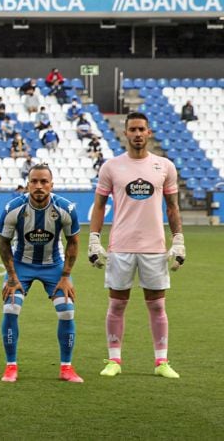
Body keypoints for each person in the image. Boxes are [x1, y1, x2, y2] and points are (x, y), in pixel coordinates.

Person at [88, 112, 184, 379]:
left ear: (149, 133)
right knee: (117, 305)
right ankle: (114, 360)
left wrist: (178, 240)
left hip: (154, 247)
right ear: (126, 133)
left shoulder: (165, 166)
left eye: (142, 129)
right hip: (121, 246)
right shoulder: (111, 167)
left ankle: (161, 362)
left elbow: (173, 207)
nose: (138, 134)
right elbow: (99, 206)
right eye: (133, 129)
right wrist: (94, 239)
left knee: (157, 306)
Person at [0, 163, 83, 383]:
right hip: (21, 264)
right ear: (27, 184)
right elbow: (4, 243)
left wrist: (65, 277)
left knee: (67, 312)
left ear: (51, 185)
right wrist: (12, 277)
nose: (38, 186)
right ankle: (11, 366)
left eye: (44, 181)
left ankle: (66, 368)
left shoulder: (65, 208)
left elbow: (73, 242)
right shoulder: (13, 208)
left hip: (54, 265)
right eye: (34, 181)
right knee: (11, 307)